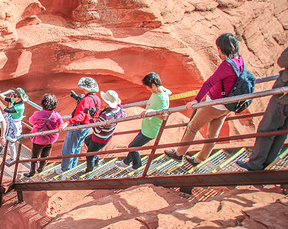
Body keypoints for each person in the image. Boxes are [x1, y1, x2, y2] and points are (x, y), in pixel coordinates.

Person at [165, 33, 244, 166]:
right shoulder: (239, 60)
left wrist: (196, 100)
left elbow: (209, 83)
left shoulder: (227, 65)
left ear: (222, 48)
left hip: (214, 104)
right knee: (212, 134)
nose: (218, 50)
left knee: (192, 127)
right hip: (226, 105)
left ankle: (179, 154)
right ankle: (199, 159)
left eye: (218, 48)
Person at [237, 48, 288, 171]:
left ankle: (255, 164)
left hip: (283, 98)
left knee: (267, 130)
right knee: (281, 133)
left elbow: (282, 61)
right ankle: (267, 163)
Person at [117, 73, 171, 170]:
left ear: (153, 85)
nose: (147, 89)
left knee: (132, 146)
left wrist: (151, 111)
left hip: (151, 131)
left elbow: (163, 116)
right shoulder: (161, 91)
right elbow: (169, 91)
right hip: (147, 127)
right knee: (134, 145)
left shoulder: (161, 98)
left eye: (148, 87)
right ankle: (126, 162)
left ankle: (137, 165)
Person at [58, 77, 101, 173]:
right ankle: (72, 166)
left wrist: (68, 122)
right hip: (86, 126)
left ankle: (65, 169)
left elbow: (81, 115)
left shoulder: (86, 100)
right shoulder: (97, 99)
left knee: (69, 148)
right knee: (77, 147)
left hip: (78, 126)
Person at [83, 90, 126, 173]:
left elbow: (97, 130)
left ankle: (89, 170)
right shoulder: (118, 109)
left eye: (104, 100)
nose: (103, 101)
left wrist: (90, 118)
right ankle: (95, 159)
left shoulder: (104, 116)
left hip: (99, 139)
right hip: (107, 136)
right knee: (87, 141)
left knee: (89, 155)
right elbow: (124, 114)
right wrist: (119, 104)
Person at [25, 94, 64, 178]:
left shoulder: (38, 114)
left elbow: (31, 121)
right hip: (50, 139)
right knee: (45, 155)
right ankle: (40, 169)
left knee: (34, 156)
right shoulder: (57, 115)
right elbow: (61, 125)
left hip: (39, 139)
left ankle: (32, 173)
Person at [0, 88, 28, 163]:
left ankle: (13, 158)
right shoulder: (15, 100)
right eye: (13, 94)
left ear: (20, 98)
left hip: (14, 125)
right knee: (5, 135)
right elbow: (6, 98)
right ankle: (6, 150)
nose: (13, 96)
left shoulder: (19, 107)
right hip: (9, 121)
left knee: (11, 142)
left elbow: (7, 110)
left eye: (15, 95)